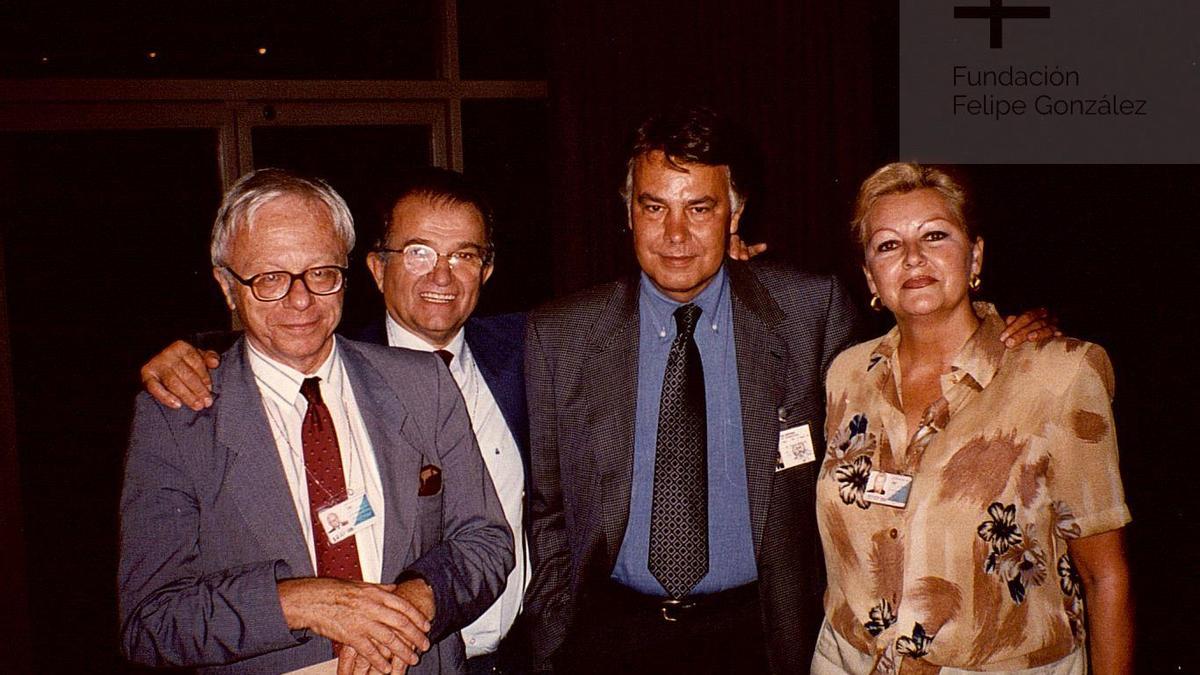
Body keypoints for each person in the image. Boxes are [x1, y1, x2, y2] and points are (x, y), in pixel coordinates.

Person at [119, 168, 513, 674]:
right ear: (226, 285)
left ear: (347, 273)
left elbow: (486, 540)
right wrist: (301, 602)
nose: (300, 299)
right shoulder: (176, 417)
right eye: (270, 279)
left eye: (320, 273)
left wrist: (409, 607)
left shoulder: (423, 382)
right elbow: (149, 620)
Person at [813, 163, 1131, 674]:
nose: (913, 258)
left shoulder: (1059, 374)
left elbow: (1104, 576)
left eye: (935, 236)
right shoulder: (846, 375)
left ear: (975, 254)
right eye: (888, 245)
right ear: (871, 276)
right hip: (847, 661)